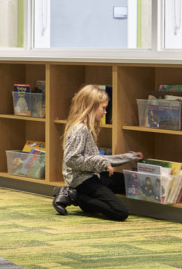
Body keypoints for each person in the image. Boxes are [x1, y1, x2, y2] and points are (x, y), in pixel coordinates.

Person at [55, 85, 140, 220]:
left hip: (93, 175)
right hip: (82, 181)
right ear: (91, 108)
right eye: (103, 108)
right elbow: (71, 160)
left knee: (131, 183)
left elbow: (96, 158)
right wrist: (101, 163)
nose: (105, 112)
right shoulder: (80, 130)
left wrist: (129, 157)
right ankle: (75, 196)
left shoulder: (87, 128)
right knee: (120, 212)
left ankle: (89, 199)